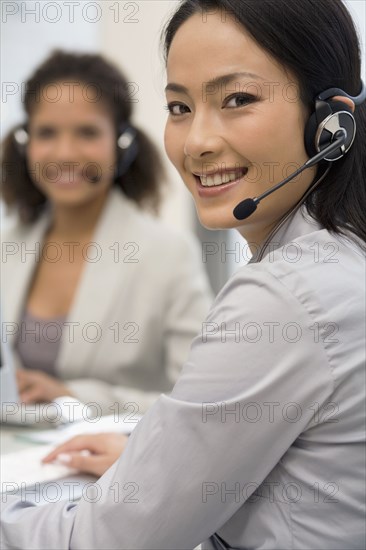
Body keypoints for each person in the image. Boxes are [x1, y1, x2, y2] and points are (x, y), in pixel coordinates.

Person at [1, 0, 365, 548]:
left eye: (238, 99)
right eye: (178, 108)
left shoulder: (284, 295)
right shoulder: (336, 259)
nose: (197, 142)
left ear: (330, 123)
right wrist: (160, 462)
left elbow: (103, 539)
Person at [0, 50, 212, 415]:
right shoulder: (7, 245)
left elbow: (202, 401)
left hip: (115, 466)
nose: (65, 153)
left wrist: (73, 396)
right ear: (25, 144)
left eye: (87, 132)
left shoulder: (168, 254)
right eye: (47, 133)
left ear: (121, 143)